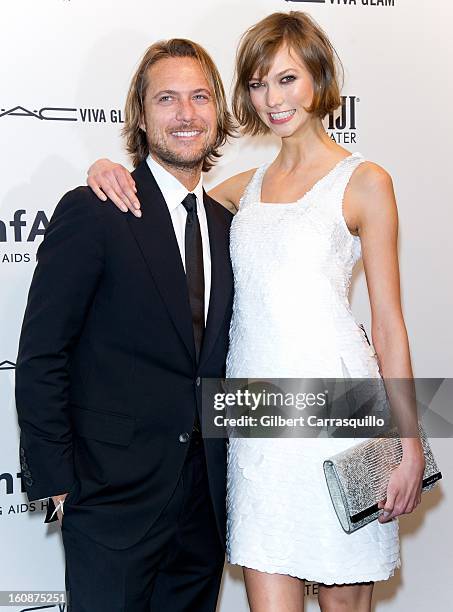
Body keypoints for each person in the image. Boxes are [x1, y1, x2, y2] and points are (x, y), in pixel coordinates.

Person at [86, 11, 425, 612]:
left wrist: (409, 441)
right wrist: (105, 170)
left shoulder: (365, 182)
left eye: (287, 79)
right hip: (254, 422)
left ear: (319, 79)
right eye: (258, 83)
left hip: (341, 413)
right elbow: (165, 199)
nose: (273, 99)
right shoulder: (241, 189)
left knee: (346, 601)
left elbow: (390, 322)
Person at [15, 38, 236, 612]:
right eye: (167, 98)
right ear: (141, 114)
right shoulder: (94, 210)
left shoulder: (231, 225)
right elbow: (42, 353)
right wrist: (57, 482)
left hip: (204, 510)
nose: (186, 114)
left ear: (219, 111)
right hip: (110, 500)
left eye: (200, 97)